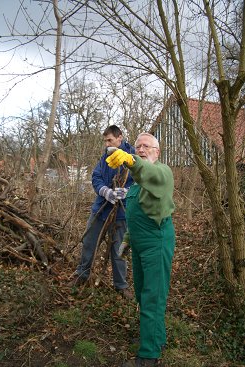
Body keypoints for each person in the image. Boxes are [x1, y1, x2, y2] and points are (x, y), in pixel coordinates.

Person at [106, 132, 175, 367]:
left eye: (147, 146)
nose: (141, 149)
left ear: (157, 152)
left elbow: (149, 172)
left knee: (153, 297)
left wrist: (132, 161)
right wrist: (126, 240)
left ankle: (148, 356)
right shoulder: (135, 185)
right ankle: (156, 337)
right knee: (142, 294)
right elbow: (134, 216)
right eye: (137, 147)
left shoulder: (162, 173)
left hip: (157, 242)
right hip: (139, 244)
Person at [68, 125, 135, 299]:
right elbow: (96, 176)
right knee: (89, 243)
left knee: (119, 250)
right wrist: (105, 191)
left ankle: (121, 285)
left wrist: (127, 191)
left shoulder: (132, 156)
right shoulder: (105, 156)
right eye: (105, 141)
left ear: (120, 138)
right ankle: (82, 274)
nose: (106, 144)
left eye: (110, 140)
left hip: (121, 213)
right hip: (101, 209)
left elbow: (140, 180)